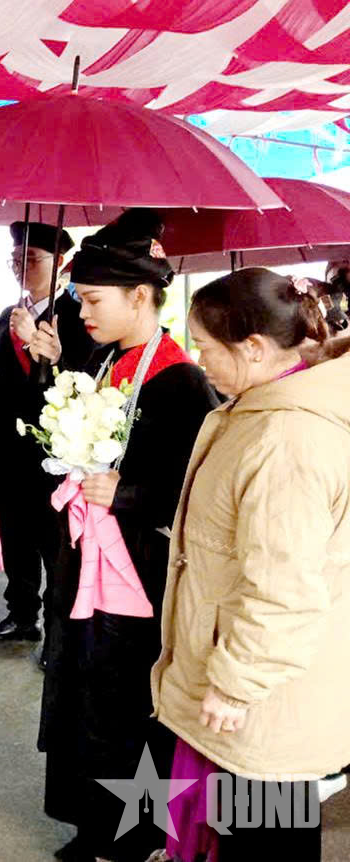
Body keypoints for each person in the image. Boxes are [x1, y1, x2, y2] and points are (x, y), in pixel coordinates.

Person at [36, 211, 219, 862]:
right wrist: (51, 374)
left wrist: (131, 495)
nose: (81, 311)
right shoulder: (101, 356)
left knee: (122, 703)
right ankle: (88, 821)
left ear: (140, 296)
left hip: (138, 571)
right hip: (82, 558)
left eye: (92, 300)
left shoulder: (180, 380)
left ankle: (133, 833)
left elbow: (199, 492)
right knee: (81, 691)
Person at [151, 268, 346, 862]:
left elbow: (283, 588)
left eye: (206, 347)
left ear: (255, 349)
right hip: (253, 679)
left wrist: (236, 686)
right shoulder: (262, 408)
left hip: (263, 695)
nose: (197, 359)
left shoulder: (287, 438)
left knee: (263, 836)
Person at [0, 222, 94, 644]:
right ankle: (21, 616)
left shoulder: (78, 318)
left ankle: (59, 633)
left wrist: (39, 348)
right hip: (7, 448)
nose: (21, 266)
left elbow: (80, 383)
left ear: (60, 264)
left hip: (52, 450)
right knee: (15, 538)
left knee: (53, 545)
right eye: (15, 259)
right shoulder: (10, 313)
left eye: (32, 259)